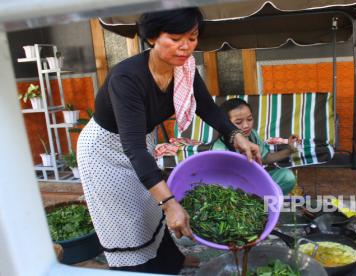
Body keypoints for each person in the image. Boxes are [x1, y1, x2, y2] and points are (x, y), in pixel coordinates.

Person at [76, 8, 261, 274]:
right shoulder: (127, 79)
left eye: (192, 37)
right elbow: (134, 149)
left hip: (139, 143)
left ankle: (172, 260)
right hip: (104, 151)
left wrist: (236, 136)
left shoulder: (183, 68)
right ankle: (143, 268)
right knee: (129, 219)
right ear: (152, 38)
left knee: (151, 209)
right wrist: (171, 203)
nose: (186, 47)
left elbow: (207, 107)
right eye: (176, 38)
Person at [212, 98, 300, 195]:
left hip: (256, 182)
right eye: (238, 122)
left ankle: (265, 205)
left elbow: (265, 158)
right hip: (234, 191)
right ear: (226, 124)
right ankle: (252, 206)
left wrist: (290, 150)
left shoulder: (252, 134)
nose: (246, 125)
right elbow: (221, 181)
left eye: (249, 119)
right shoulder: (219, 149)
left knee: (287, 176)